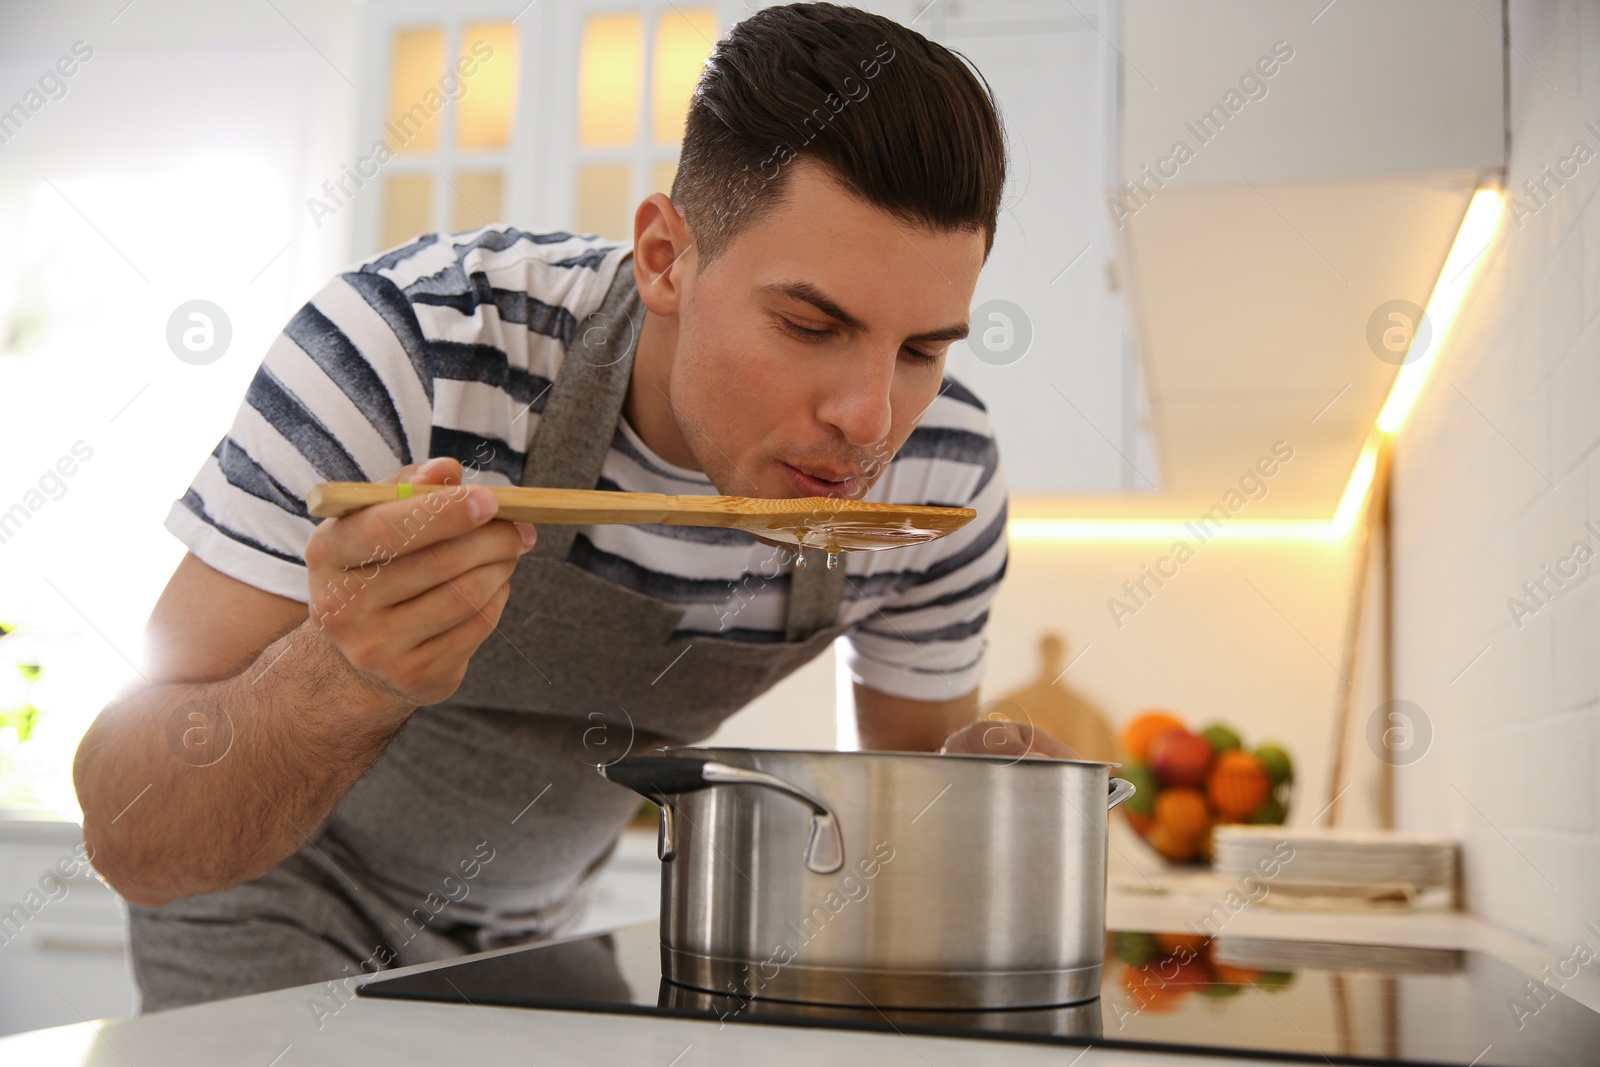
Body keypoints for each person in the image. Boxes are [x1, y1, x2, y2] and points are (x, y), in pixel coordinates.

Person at [73, 2, 1040, 1012]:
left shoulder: (943, 475)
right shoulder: (414, 355)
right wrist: (342, 671)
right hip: (257, 904)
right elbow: (130, 834)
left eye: (923, 349)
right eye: (809, 323)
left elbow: (916, 799)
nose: (868, 416)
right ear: (665, 258)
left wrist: (995, 809)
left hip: (530, 929)